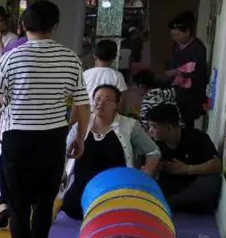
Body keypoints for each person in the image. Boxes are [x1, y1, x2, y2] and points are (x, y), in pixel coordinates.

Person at [0, 0, 90, 238]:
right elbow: (83, 104)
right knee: (45, 202)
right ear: (55, 26)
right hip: (53, 139)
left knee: (19, 206)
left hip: (19, 140)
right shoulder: (70, 58)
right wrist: (81, 138)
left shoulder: (11, 58)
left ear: (23, 25)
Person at [61, 84, 161, 220]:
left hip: (116, 192)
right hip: (81, 192)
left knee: (114, 216)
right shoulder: (81, 125)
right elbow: (63, 153)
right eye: (97, 99)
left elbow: (153, 152)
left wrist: (143, 178)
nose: (100, 103)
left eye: (107, 100)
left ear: (117, 104)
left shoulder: (130, 126)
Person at [146, 103, 221, 213]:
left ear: (168, 127)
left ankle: (168, 204)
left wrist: (187, 169)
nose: (150, 131)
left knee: (211, 182)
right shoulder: (153, 145)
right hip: (171, 190)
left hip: (194, 187)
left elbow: (217, 165)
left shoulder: (198, 137)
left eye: (154, 126)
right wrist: (155, 168)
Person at [164, 11, 209, 126]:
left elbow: (198, 72)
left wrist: (176, 72)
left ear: (188, 32)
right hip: (177, 92)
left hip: (190, 96)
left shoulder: (197, 48)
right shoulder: (177, 45)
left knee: (186, 125)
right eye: (173, 35)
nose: (174, 38)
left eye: (177, 35)